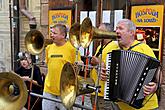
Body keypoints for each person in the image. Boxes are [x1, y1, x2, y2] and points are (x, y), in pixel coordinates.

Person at [100, 19, 161, 110]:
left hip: (146, 107)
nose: (117, 31)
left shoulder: (144, 48)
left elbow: (158, 72)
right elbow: (103, 69)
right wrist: (103, 74)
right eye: (116, 28)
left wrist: (156, 86)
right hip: (120, 106)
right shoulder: (111, 48)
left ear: (131, 33)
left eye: (121, 28)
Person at [42, 23, 82, 110]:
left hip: (65, 91)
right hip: (49, 90)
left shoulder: (72, 48)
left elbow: (78, 67)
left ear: (63, 35)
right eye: (51, 32)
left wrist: (79, 64)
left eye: (54, 33)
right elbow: (48, 65)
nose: (51, 35)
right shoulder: (48, 48)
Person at [90, 23, 119, 110]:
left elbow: (111, 68)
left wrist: (97, 62)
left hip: (104, 94)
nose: (97, 33)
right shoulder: (100, 46)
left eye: (100, 31)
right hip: (96, 91)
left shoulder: (114, 46)